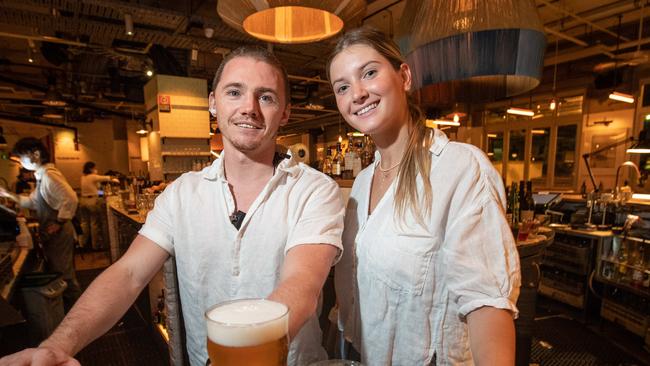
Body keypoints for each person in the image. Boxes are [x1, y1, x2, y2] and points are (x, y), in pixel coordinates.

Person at [0, 46, 345, 366]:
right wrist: (58, 345)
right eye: (234, 92)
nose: (249, 108)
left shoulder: (314, 190)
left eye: (266, 97)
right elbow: (128, 274)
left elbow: (302, 284)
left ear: (285, 112)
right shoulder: (181, 194)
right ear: (213, 103)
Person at [329, 28, 521, 365]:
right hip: (361, 352)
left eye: (369, 73)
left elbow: (487, 301)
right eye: (342, 87)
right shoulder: (361, 182)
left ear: (403, 76)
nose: (357, 93)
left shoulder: (459, 168)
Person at [0, 138, 82, 309]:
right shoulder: (42, 176)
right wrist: (7, 194)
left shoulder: (49, 175)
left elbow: (71, 198)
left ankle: (82, 314)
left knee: (65, 275)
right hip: (53, 233)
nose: (21, 162)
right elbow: (31, 202)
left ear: (35, 154)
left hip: (59, 233)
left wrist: (59, 222)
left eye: (22, 157)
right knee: (61, 273)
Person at [79, 161, 118, 250]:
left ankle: (82, 243)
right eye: (94, 168)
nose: (95, 169)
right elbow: (107, 178)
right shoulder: (92, 176)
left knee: (84, 223)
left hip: (83, 201)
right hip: (92, 201)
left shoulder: (83, 178)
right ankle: (95, 245)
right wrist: (115, 179)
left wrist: (103, 193)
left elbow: (94, 190)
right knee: (94, 223)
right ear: (90, 169)